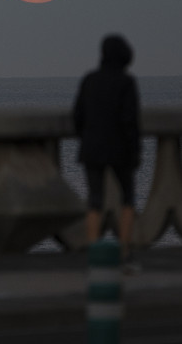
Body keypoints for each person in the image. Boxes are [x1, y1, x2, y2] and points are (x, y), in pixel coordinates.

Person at [72, 33, 141, 269]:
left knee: (94, 201)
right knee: (128, 199)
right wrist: (135, 152)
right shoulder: (126, 82)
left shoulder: (90, 80)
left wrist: (87, 138)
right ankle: (124, 251)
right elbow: (130, 121)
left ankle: (94, 251)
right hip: (120, 149)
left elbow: (77, 117)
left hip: (92, 149)